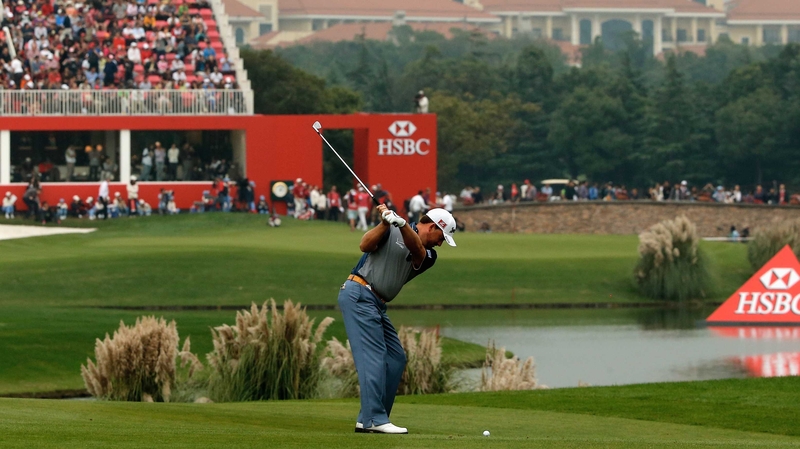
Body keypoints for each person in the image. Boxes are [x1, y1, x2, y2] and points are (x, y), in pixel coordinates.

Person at [339, 206, 456, 434]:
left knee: (395, 358)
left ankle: (368, 418)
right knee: (374, 357)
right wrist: (385, 222)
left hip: (377, 304)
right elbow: (364, 245)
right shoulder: (390, 228)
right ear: (433, 227)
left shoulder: (429, 255)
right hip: (359, 294)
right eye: (441, 237)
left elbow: (417, 249)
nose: (440, 244)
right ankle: (375, 419)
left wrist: (401, 224)